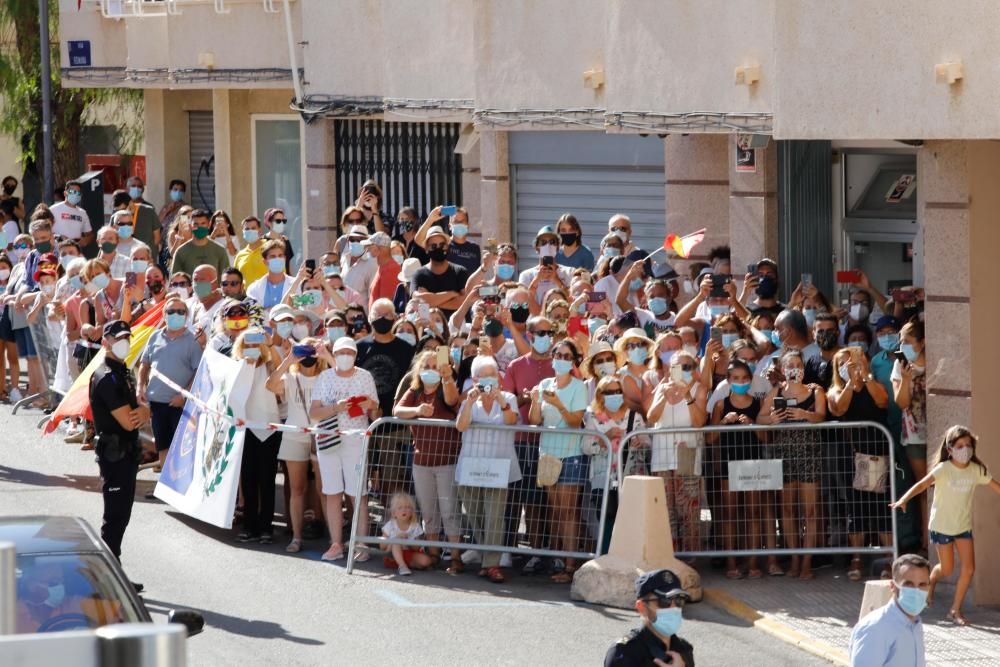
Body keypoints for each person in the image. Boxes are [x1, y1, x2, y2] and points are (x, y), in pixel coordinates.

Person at [890, 425, 1000, 625]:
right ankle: (931, 582)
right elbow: (922, 484)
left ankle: (954, 609)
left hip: (963, 527)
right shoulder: (943, 469)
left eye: (968, 445)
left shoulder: (977, 471)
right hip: (941, 527)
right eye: (959, 445)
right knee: (947, 569)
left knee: (968, 569)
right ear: (949, 449)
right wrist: (904, 499)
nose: (965, 449)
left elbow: (995, 486)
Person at [309, 337, 380, 562]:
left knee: (357, 493)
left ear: (356, 355)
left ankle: (361, 543)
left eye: (349, 352)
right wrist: (335, 408)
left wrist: (371, 406)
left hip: (355, 440)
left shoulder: (365, 377)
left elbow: (376, 413)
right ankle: (336, 543)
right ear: (335, 353)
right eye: (340, 352)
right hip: (329, 440)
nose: (345, 356)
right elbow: (314, 412)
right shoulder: (325, 377)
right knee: (332, 492)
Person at [759, 349, 828, 580]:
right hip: (784, 454)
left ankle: (807, 561)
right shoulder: (776, 392)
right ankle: (795, 559)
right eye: (790, 365)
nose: (794, 369)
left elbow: (821, 416)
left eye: (798, 364)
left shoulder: (815, 390)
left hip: (809, 453)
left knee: (810, 511)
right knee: (788, 510)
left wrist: (803, 414)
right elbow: (760, 418)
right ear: (783, 369)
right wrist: (772, 419)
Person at [393, 349, 462, 569]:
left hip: (447, 460)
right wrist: (417, 410)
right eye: (426, 367)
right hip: (421, 461)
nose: (430, 370)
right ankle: (433, 553)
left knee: (449, 510)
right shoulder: (415, 391)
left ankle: (455, 556)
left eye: (435, 366)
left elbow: (453, 399)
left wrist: (447, 376)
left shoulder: (445, 389)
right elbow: (397, 410)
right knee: (429, 510)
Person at [454, 355, 521, 582]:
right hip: (471, 465)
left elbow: (512, 420)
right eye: (484, 376)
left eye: (493, 374)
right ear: (475, 379)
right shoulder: (468, 401)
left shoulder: (509, 397)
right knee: (475, 513)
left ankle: (492, 563)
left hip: (498, 467)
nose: (490, 380)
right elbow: (461, 426)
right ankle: (486, 557)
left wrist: (501, 402)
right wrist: (470, 403)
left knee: (495, 516)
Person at [89, 320, 149, 571]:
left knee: (122, 515)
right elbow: (129, 420)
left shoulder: (123, 371)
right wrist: (144, 413)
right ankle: (106, 575)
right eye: (118, 338)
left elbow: (139, 413)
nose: (124, 342)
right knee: (114, 518)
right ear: (105, 342)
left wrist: (144, 412)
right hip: (114, 454)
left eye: (127, 337)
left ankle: (113, 570)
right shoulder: (106, 377)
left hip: (127, 453)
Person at [827, 347, 891, 580]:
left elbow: (883, 401)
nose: (850, 365)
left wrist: (866, 377)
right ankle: (857, 558)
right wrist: (849, 384)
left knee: (882, 506)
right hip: (851, 454)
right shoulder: (835, 389)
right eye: (843, 363)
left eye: (855, 360)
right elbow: (839, 407)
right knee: (856, 507)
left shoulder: (874, 383)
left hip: (878, 450)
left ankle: (887, 558)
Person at [529, 338, 587, 583]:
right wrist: (534, 400)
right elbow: (535, 420)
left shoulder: (579, 386)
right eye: (558, 355)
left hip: (571, 454)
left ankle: (572, 565)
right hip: (548, 454)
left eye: (566, 356)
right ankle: (560, 559)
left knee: (569, 512)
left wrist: (558, 404)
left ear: (573, 361)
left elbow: (575, 421)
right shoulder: (544, 384)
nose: (561, 360)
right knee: (556, 511)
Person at [709, 359, 769, 579]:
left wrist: (752, 425)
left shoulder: (756, 403)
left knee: (753, 513)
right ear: (728, 380)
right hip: (728, 464)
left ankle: (753, 564)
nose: (740, 382)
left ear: (750, 380)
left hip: (752, 463)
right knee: (730, 514)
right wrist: (723, 422)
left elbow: (765, 437)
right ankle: (731, 563)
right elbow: (710, 437)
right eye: (736, 379)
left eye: (745, 379)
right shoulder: (720, 405)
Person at [265, 339, 325, 553]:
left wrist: (326, 354)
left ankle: (332, 537)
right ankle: (297, 537)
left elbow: (345, 378)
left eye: (312, 351)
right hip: (294, 435)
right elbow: (270, 385)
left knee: (323, 489)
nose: (308, 355)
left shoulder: (327, 377)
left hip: (321, 436)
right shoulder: (290, 377)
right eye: (304, 350)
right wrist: (289, 359)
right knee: (297, 488)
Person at [647, 350, 709, 554]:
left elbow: (699, 422)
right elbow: (651, 417)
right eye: (677, 367)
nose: (682, 371)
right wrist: (665, 397)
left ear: (694, 369)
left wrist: (688, 396)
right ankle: (668, 554)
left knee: (689, 509)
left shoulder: (700, 389)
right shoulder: (661, 388)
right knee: (666, 510)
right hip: (662, 457)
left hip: (687, 454)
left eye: (687, 367)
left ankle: (690, 555)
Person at [136, 296, 203, 474]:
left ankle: (179, 487)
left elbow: (198, 372)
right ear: (164, 315)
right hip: (156, 403)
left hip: (180, 405)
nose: (176, 315)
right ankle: (166, 484)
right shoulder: (155, 336)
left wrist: (184, 395)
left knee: (180, 447)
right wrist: (140, 387)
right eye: (171, 311)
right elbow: (145, 364)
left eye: (181, 312)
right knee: (163, 445)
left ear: (187, 315)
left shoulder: (193, 341)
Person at [232, 328, 282, 544]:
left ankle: (266, 527)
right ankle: (249, 525)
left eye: (255, 343)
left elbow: (279, 367)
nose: (252, 348)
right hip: (246, 428)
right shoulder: (236, 366)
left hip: (269, 428)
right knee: (248, 479)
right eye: (247, 344)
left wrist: (270, 345)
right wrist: (245, 365)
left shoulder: (269, 363)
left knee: (267, 479)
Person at [849, 554, 930, 667]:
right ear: (893, 586)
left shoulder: (915, 623)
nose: (916, 591)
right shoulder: (875, 628)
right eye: (908, 584)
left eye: (922, 584)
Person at [605, 568, 694, 667]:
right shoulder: (623, 654)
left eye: (679, 600)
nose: (674, 608)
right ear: (642, 607)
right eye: (664, 602)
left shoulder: (684, 649)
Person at [891, 320, 928, 549]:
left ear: (922, 342)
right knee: (923, 485)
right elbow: (901, 402)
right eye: (901, 341)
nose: (902, 345)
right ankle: (925, 539)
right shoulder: (900, 365)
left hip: (938, 432)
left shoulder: (936, 360)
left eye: (908, 341)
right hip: (914, 434)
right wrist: (906, 379)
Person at [412, 226, 468, 318]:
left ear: (447, 245)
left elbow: (464, 302)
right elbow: (418, 300)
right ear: (426, 249)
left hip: (455, 327)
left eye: (442, 245)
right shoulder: (419, 274)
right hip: (428, 326)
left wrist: (431, 302)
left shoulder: (459, 271)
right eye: (433, 246)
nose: (438, 248)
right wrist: (451, 294)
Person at [381, 491, 434, 576]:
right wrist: (395, 539)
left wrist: (409, 542)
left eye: (407, 507)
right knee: (396, 541)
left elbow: (417, 548)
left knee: (427, 561)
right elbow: (382, 546)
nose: (404, 510)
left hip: (409, 553)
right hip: (391, 555)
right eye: (400, 508)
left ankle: (407, 564)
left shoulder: (415, 526)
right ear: (394, 513)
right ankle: (402, 566)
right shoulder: (390, 525)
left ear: (412, 512)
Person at [169, 209, 229, 278]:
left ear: (209, 225)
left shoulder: (220, 250)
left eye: (203, 223)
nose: (199, 227)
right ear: (191, 226)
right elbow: (174, 280)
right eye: (196, 224)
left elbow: (226, 278)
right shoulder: (181, 252)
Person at [246, 239, 295, 317]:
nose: (277, 259)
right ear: (265, 262)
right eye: (273, 256)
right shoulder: (254, 288)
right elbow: (253, 315)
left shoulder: (296, 285)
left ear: (285, 259)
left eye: (280, 255)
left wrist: (267, 310)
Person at [50, 180, 95, 248]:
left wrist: (86, 240)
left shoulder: (82, 213)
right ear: (65, 193)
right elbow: (43, 230)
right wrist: (58, 237)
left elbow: (90, 234)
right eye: (72, 192)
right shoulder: (53, 209)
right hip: (57, 249)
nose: (75, 194)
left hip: (75, 251)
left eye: (78, 193)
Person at [363, 231, 400, 313]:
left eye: (370, 246)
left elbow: (385, 306)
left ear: (378, 249)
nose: (367, 249)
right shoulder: (383, 267)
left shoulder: (390, 269)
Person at [125, 176, 161, 250]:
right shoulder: (122, 207)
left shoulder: (149, 208)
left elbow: (156, 234)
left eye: (139, 186)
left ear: (143, 190)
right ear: (127, 188)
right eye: (133, 186)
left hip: (145, 251)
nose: (136, 188)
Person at [234, 216, 267, 286]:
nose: (250, 231)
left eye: (253, 228)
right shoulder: (240, 255)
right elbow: (235, 279)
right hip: (246, 296)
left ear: (260, 231)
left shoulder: (270, 249)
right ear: (243, 232)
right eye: (247, 229)